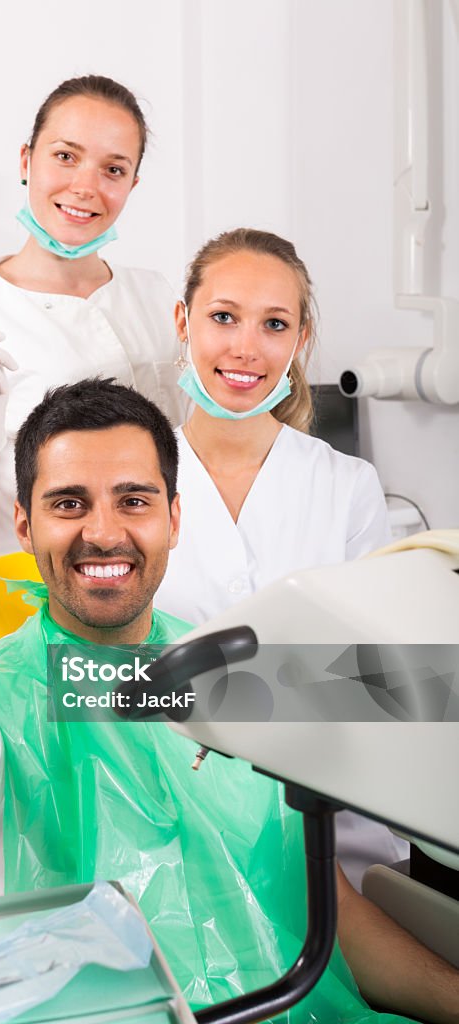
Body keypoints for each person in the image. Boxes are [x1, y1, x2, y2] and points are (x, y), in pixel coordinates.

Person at [0, 380, 459, 1024]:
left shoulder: (243, 675)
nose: (103, 532)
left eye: (132, 500)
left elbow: (324, 911)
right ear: (25, 527)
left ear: (172, 519)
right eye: (69, 503)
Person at [154, 228, 402, 887]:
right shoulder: (131, 483)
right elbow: (97, 675)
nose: (245, 347)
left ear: (301, 340)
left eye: (274, 324)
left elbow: (383, 683)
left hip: (325, 829)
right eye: (223, 317)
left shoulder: (346, 486)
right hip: (171, 825)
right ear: (184, 321)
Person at [0, 75, 187, 558]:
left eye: (113, 170)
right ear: (26, 160)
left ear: (132, 184)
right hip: (38, 601)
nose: (85, 187)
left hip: (167, 589)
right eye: (65, 156)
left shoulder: (157, 295)